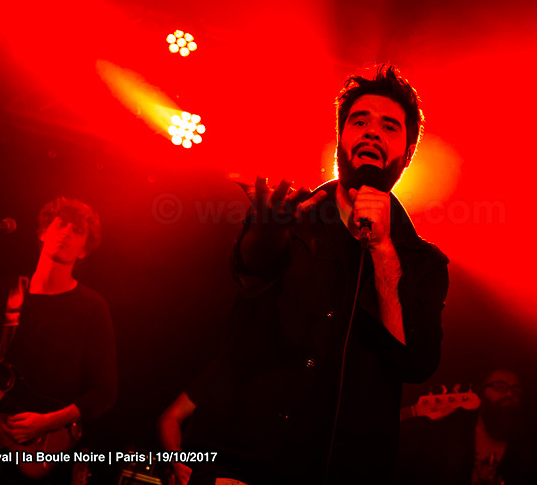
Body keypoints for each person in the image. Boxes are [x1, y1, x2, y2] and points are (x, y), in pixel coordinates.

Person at [177, 64, 450, 484]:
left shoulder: (423, 262)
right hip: (243, 465)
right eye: (359, 121)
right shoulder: (293, 216)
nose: (372, 132)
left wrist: (382, 249)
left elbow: (414, 362)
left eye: (389, 126)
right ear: (341, 139)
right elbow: (251, 274)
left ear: (408, 152)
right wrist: (269, 229)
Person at [0, 197, 118, 484]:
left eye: (77, 231)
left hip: (47, 446)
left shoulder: (93, 307)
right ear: (42, 233)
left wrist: (45, 422)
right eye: (61, 225)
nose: (66, 233)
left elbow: (104, 392)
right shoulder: (5, 290)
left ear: (84, 250)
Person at [395, 369, 536, 484]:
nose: (509, 394)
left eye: (516, 390)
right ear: (481, 391)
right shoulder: (449, 436)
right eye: (500, 386)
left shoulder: (528, 450)